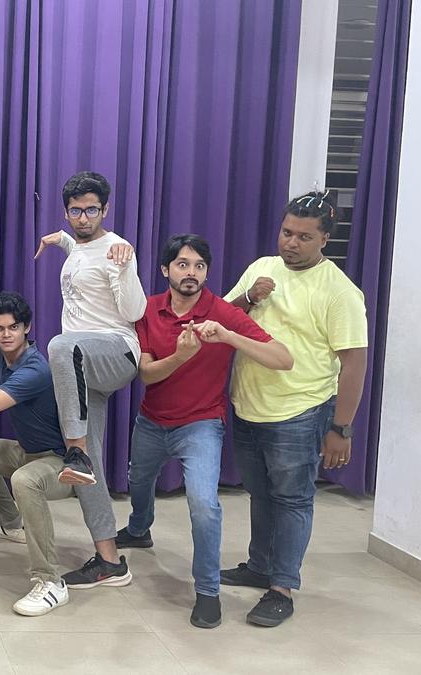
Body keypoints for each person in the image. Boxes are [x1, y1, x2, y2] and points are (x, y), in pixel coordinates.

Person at [115, 234, 293, 628]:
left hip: (202, 425)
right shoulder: (147, 309)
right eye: (182, 264)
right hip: (152, 420)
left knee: (204, 505)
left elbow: (284, 359)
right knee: (138, 481)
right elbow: (146, 374)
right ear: (166, 270)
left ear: (207, 272)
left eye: (199, 266)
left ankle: (208, 592)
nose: (191, 273)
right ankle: (140, 529)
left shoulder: (222, 313)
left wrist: (229, 336)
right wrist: (182, 356)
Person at [220, 191, 368, 627]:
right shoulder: (261, 269)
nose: (291, 243)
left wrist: (341, 428)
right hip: (247, 405)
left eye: (304, 237)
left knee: (292, 500)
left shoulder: (340, 291)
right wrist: (250, 297)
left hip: (300, 412)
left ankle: (281, 587)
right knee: (260, 493)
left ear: (324, 239)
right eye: (287, 232)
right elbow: (222, 317)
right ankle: (259, 566)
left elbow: (354, 362)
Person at [33, 171, 144, 591]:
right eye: (76, 211)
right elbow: (79, 249)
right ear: (66, 212)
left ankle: (74, 450)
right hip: (82, 367)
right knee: (90, 471)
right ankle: (110, 561)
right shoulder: (77, 243)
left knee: (59, 346)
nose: (83, 218)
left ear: (105, 209)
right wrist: (60, 240)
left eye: (92, 210)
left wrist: (125, 267)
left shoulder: (117, 249)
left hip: (115, 352)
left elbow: (134, 312)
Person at [0, 292, 87, 616]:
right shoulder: (4, 349)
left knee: (24, 480)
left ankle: (51, 582)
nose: (6, 335)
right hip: (27, 452)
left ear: (26, 327)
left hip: (57, 463)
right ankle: (12, 525)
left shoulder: (34, 369)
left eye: (13, 328)